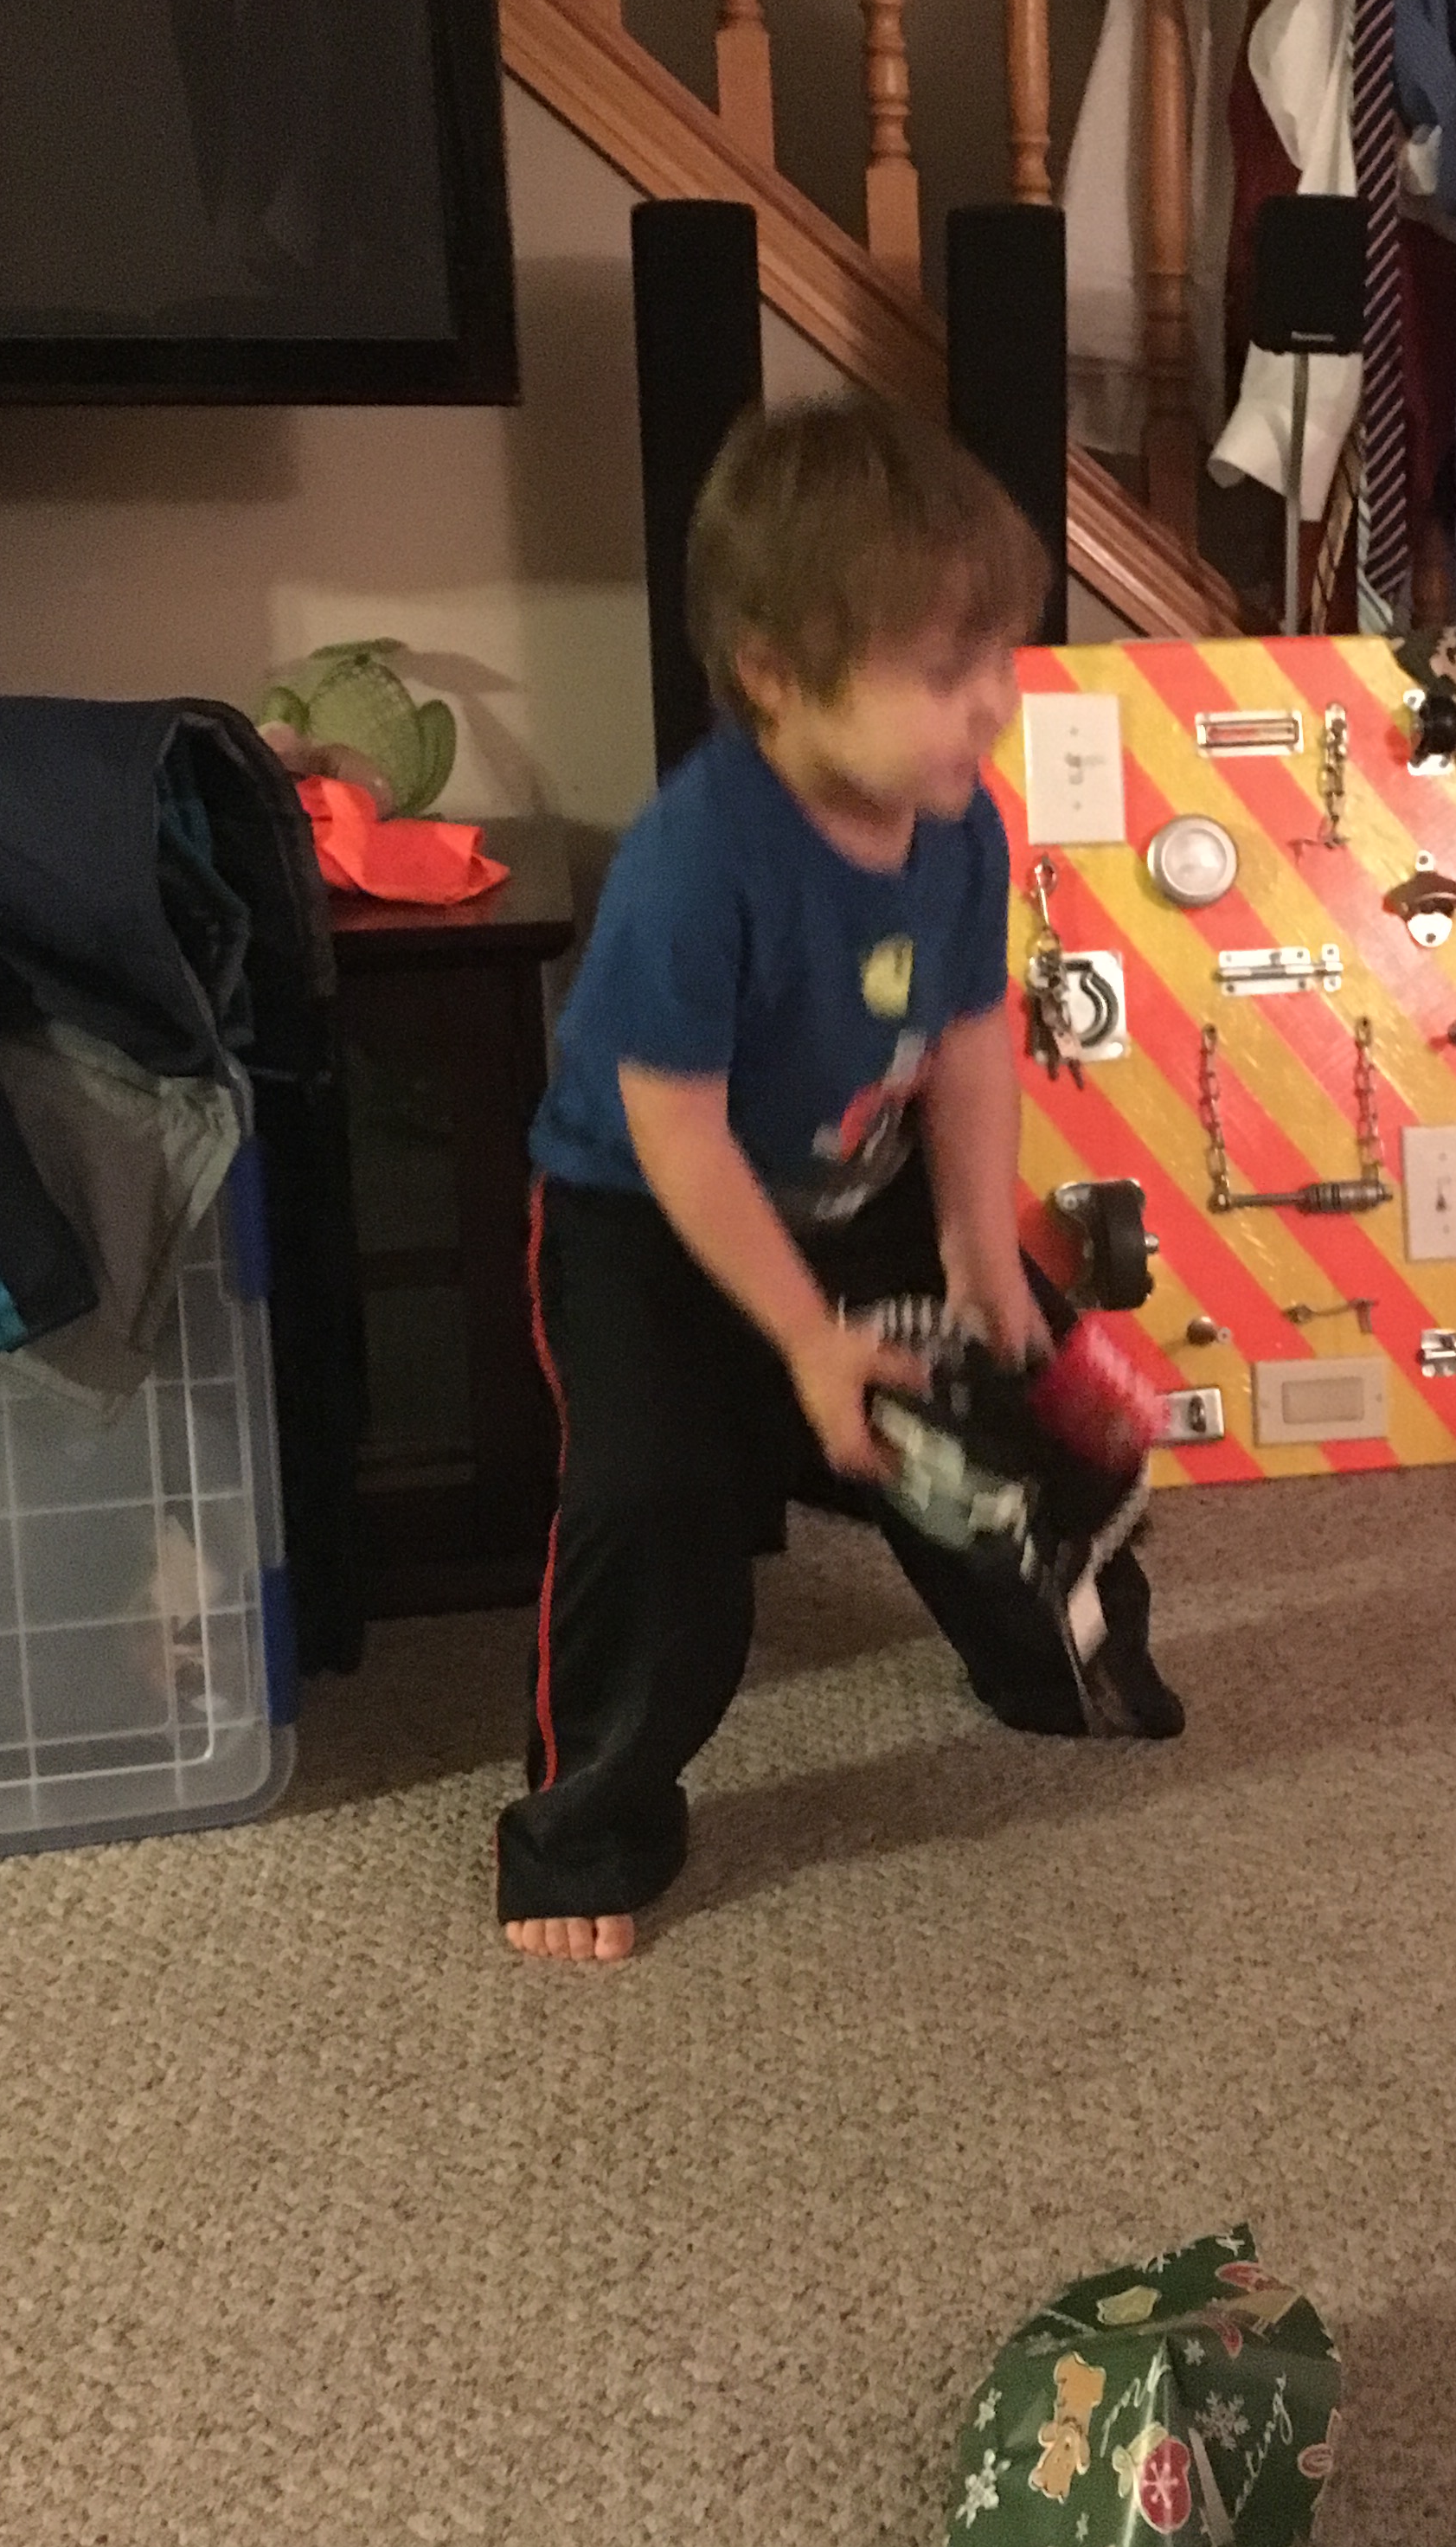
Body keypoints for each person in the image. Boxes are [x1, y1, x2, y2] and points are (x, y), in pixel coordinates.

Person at [502, 394, 1179, 1961]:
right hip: (648, 1219)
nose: (994, 704)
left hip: (854, 1189)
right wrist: (806, 1340)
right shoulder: (695, 862)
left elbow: (970, 1035)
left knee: (1029, 1408)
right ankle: (584, 1828)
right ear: (774, 675)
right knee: (654, 1499)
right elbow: (676, 1135)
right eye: (946, 675)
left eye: (1000, 660)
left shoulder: (959, 825)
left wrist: (982, 1253)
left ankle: (1054, 1662)